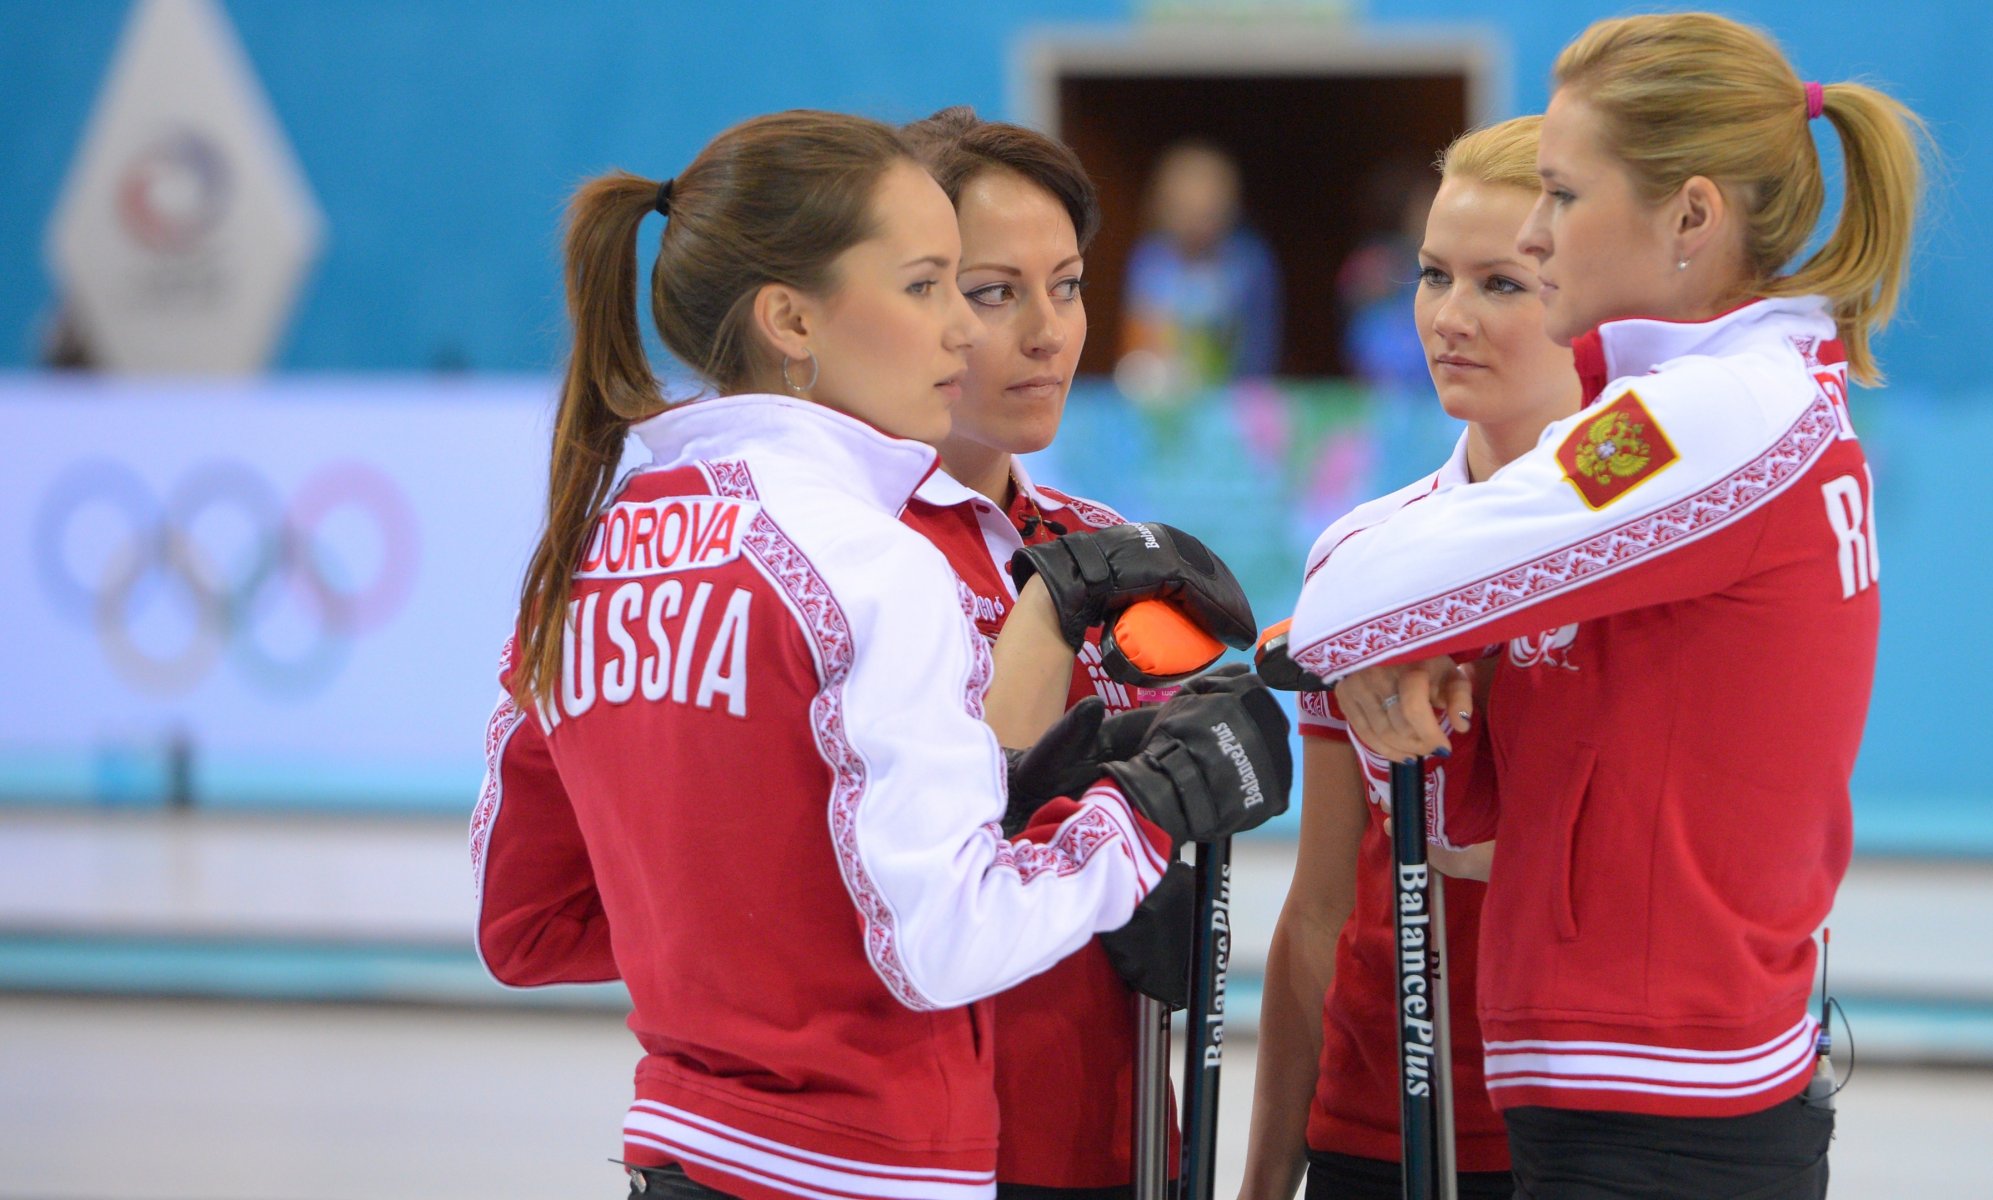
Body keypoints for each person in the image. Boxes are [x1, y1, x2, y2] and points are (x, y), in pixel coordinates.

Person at [468, 110, 1293, 1200]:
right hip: (892, 1148)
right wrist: (1126, 824)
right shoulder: (869, 558)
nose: (997, 330)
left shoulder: (602, 536)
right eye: (955, 287)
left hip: (886, 1138)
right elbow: (934, 931)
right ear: (791, 318)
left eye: (1068, 283)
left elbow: (534, 915)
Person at [1282, 13, 1924, 1198]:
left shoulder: (1703, 415)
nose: (1535, 230)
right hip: (1656, 1075)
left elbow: (1345, 598)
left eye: (1563, 199)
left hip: (1662, 1099)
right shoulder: (1736, 396)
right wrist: (1415, 642)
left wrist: (1386, 636)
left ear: (1689, 217)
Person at [1237, 116, 1577, 1200]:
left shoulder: (1658, 543)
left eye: (1502, 285)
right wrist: (1261, 1180)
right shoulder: (1363, 555)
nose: (1449, 318)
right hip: (1379, 1127)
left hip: (1588, 1127)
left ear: (1588, 294)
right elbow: (1322, 904)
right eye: (1433, 276)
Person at [899, 105, 1200, 1200]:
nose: (1048, 332)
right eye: (995, 292)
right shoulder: (841, 549)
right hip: (932, 1138)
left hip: (1113, 1129)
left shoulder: (1099, 541)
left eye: (1066, 285)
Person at [1117, 140, 1283, 398]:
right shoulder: (1150, 260)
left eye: (1208, 213)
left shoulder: (1248, 262)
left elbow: (1259, 342)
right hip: (1163, 397)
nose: (1198, 225)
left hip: (1232, 396)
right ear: (1164, 207)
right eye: (1186, 212)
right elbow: (1137, 337)